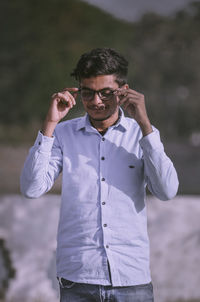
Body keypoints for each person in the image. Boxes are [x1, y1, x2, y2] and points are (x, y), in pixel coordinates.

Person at [20, 47, 179, 302]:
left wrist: (145, 125)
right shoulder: (63, 134)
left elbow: (167, 191)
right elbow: (31, 188)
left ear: (123, 90)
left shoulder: (142, 135)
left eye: (106, 92)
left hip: (131, 278)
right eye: (88, 93)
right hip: (78, 278)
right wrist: (50, 125)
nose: (96, 101)